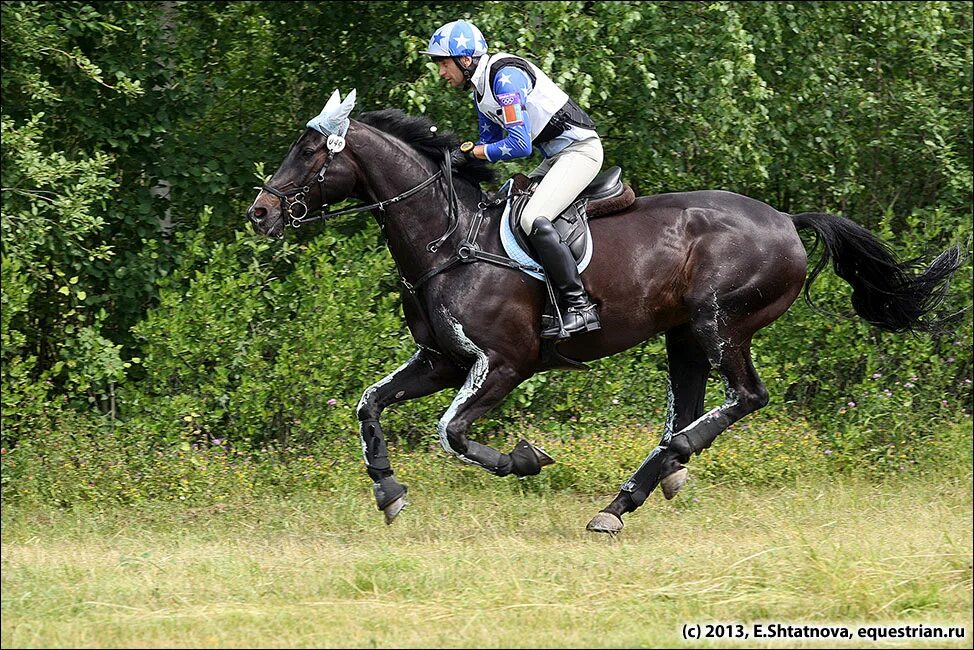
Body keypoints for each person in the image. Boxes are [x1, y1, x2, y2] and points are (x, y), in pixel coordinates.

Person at [421, 19, 604, 338]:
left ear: (465, 60)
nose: (441, 72)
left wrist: (472, 152)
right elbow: (486, 143)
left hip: (580, 152)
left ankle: (580, 306)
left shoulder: (505, 78)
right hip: (555, 156)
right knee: (505, 205)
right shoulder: (481, 94)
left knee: (534, 217)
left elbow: (518, 146)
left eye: (443, 63)